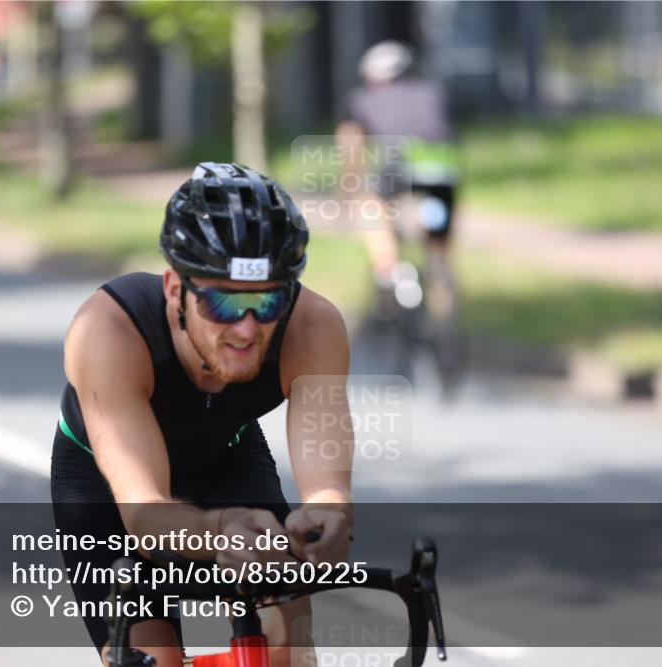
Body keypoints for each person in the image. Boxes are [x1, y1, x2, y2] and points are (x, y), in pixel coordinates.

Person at [50, 162, 355, 667]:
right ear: (176, 290)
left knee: (290, 649)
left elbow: (327, 489)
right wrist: (218, 530)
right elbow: (144, 510)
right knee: (154, 659)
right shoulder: (106, 332)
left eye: (268, 299)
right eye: (222, 303)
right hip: (108, 488)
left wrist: (329, 515)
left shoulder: (313, 327)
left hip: (226, 458)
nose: (247, 329)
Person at [336, 40, 460, 322]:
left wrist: (348, 190)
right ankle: (445, 317)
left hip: (400, 166)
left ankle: (389, 268)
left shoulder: (362, 99)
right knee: (438, 245)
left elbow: (351, 149)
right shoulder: (435, 93)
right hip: (443, 170)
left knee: (369, 204)